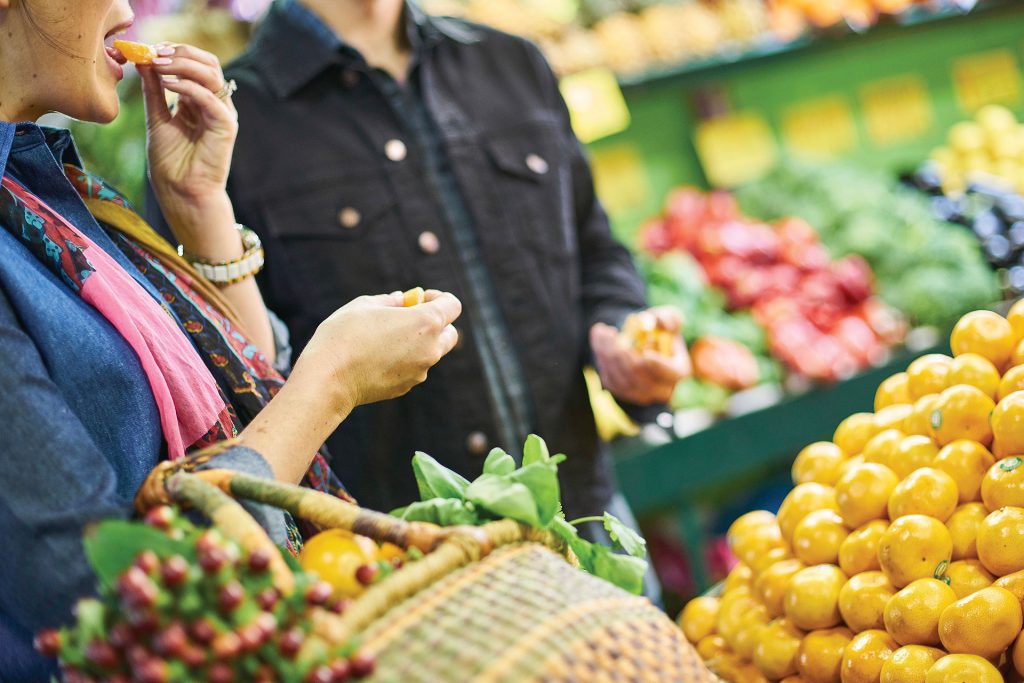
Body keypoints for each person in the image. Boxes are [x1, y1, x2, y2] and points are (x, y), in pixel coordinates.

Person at [0, 1, 461, 679]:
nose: (128, 10)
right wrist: (329, 383)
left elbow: (244, 388)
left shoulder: (40, 189)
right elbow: (119, 592)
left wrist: (199, 205)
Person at [181, 0, 691, 544]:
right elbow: (222, 381)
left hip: (587, 522)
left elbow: (595, 250)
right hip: (399, 565)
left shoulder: (510, 62)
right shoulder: (225, 126)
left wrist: (623, 338)